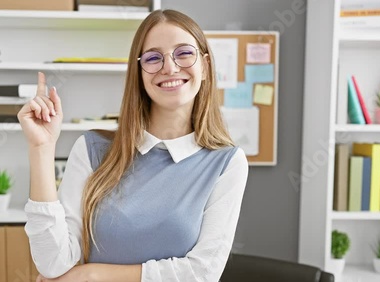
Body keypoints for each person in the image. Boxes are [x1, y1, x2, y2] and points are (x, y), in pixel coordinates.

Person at [17, 9, 249, 282]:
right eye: (153, 58)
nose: (170, 67)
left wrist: (91, 275)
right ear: (139, 74)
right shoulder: (93, 150)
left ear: (206, 67)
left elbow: (202, 273)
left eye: (184, 53)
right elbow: (53, 264)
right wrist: (41, 149)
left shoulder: (226, 162)